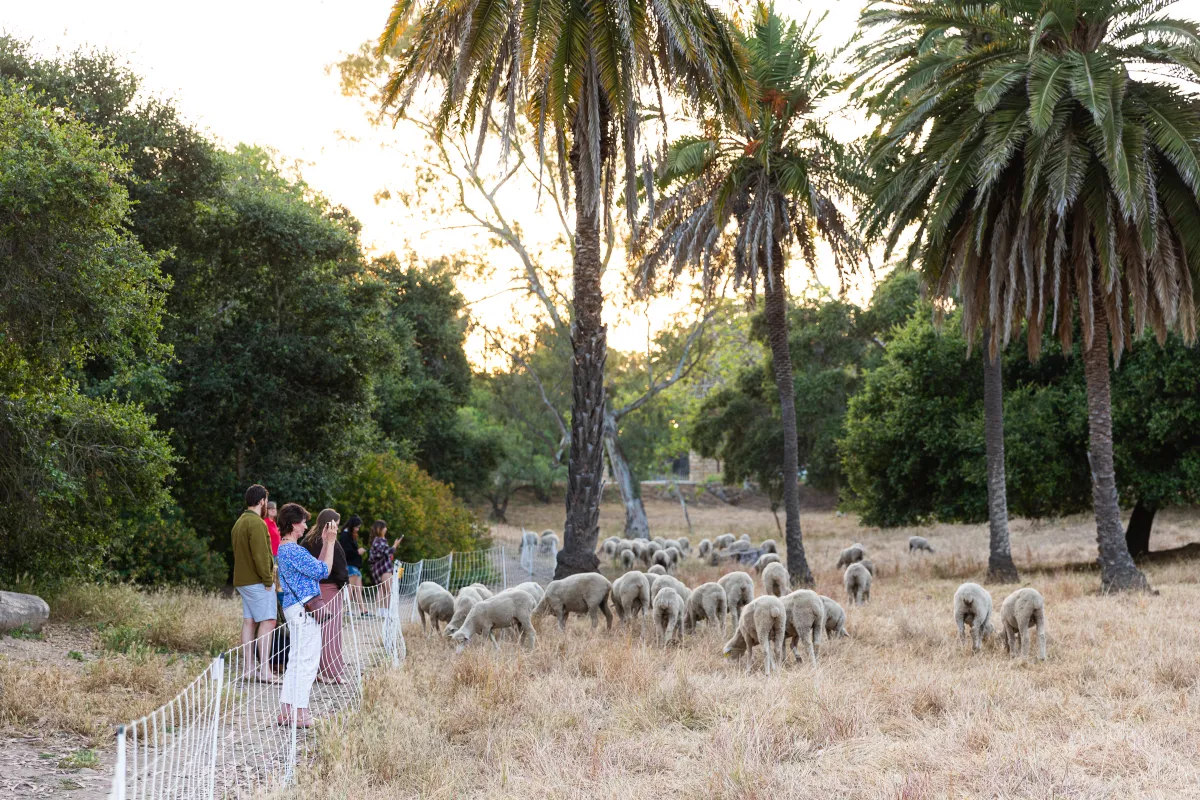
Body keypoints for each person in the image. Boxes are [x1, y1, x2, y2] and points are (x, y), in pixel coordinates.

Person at [275, 503, 336, 728]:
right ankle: (301, 714)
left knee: (295, 661)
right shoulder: (294, 550)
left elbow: (316, 567)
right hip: (304, 612)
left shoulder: (285, 550)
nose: (306, 526)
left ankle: (287, 711)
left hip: (294, 608)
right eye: (303, 522)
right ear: (293, 524)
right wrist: (329, 542)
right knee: (308, 661)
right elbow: (324, 571)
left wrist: (325, 543)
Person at [231, 484, 278, 683]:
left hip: (242, 580)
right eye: (266, 501)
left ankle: (249, 668)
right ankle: (265, 671)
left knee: (249, 622)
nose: (267, 505)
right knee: (268, 621)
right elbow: (261, 555)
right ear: (261, 501)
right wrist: (269, 580)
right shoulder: (257, 524)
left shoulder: (239, 522)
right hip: (257, 581)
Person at [301, 508, 348, 683]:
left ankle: (316, 670)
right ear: (331, 523)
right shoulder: (331, 542)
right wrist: (344, 586)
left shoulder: (307, 541)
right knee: (331, 632)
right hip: (329, 590)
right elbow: (340, 568)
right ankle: (331, 671)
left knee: (315, 632)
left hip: (311, 592)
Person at [367, 520, 403, 613]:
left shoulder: (376, 541)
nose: (386, 529)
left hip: (377, 569)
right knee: (388, 590)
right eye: (385, 527)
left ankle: (380, 611)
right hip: (383, 568)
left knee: (382, 589)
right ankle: (388, 611)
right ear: (380, 529)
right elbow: (388, 552)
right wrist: (395, 545)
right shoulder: (380, 540)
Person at [338, 516, 367, 615]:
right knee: (351, 587)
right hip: (350, 565)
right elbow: (346, 551)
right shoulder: (345, 536)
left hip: (355, 565)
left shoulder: (349, 535)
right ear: (352, 526)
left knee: (359, 588)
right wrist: (357, 552)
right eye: (357, 527)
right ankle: (345, 609)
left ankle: (362, 609)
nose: (358, 529)